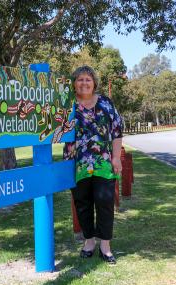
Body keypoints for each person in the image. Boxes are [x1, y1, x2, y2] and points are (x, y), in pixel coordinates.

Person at [64, 65, 123, 264]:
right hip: (77, 162)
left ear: (94, 83)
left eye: (88, 79)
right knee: (82, 203)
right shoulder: (67, 105)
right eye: (80, 79)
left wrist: (116, 158)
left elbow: (116, 131)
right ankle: (89, 241)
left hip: (104, 162)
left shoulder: (106, 103)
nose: (84, 83)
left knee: (105, 201)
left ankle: (105, 245)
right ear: (74, 83)